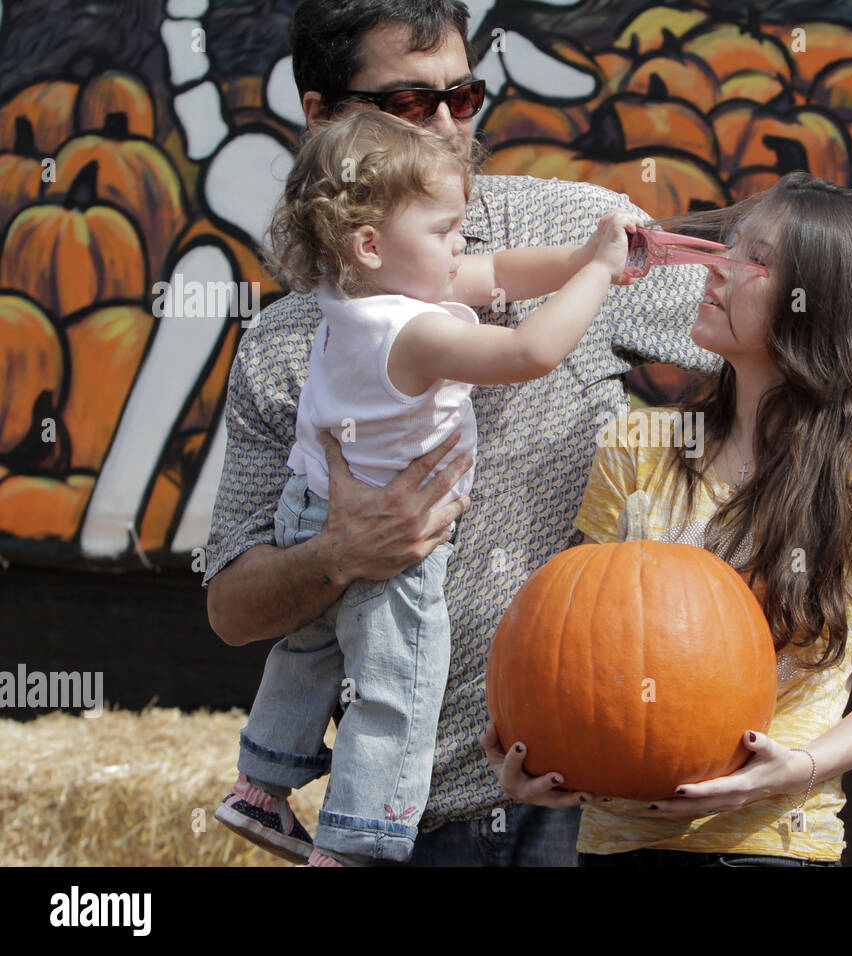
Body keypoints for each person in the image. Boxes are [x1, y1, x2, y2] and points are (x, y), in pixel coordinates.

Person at [203, 0, 715, 866]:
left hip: (590, 785)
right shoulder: (286, 341)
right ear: (321, 113)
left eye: (464, 95)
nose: (445, 125)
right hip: (424, 817)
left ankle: (274, 785)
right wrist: (343, 552)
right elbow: (231, 607)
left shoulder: (564, 222)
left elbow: (756, 312)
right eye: (407, 104)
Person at [484, 172, 852, 865]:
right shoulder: (640, 446)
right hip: (613, 847)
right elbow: (575, 634)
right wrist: (537, 741)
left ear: (814, 302)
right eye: (727, 248)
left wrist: (804, 765)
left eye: (756, 261)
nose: (719, 269)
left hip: (768, 847)